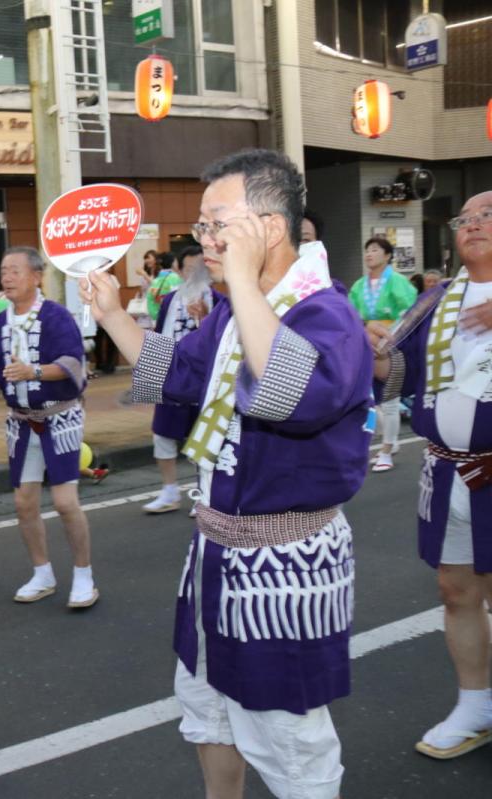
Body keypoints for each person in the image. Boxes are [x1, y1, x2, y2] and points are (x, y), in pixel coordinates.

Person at [81, 149, 371, 799]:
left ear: (270, 227)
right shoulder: (233, 310)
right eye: (203, 226)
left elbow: (287, 394)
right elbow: (178, 376)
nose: (203, 241)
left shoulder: (326, 313)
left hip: (285, 559)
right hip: (216, 546)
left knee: (288, 738)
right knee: (209, 709)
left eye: (218, 227)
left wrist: (241, 284)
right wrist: (111, 316)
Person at [373, 191, 492, 761]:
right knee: (455, 589)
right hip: (447, 468)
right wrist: (356, 345)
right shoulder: (436, 298)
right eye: (464, 219)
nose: (473, 226)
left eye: (487, 216)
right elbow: (396, 365)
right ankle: (476, 705)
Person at [0, 247, 97, 608]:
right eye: (4, 271)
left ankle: (84, 575)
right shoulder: (0, 322)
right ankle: (42, 573)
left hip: (60, 416)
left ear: (37, 276)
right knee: (24, 502)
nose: (6, 277)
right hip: (21, 421)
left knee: (65, 500)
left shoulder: (56, 316)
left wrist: (34, 371)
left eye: (15, 271)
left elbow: (73, 363)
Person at [144, 245, 216, 515]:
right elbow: (160, 335)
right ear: (179, 270)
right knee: (162, 433)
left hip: (202, 380)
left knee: (201, 438)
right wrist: (152, 376)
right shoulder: (171, 300)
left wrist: (205, 317)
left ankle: (205, 494)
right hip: (170, 375)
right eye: (189, 269)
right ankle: (169, 491)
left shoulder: (218, 300)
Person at [348, 237, 417, 473]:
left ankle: (386, 449)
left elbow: (409, 313)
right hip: (367, 343)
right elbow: (351, 314)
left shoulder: (398, 282)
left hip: (393, 344)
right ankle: (391, 440)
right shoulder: (359, 285)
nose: (369, 254)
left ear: (387, 256)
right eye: (367, 250)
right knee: (373, 398)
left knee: (390, 398)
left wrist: (388, 337)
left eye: (375, 250)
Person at [146, 251, 181, 320]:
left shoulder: (156, 281)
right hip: (173, 318)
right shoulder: (177, 278)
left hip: (158, 317)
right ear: (173, 263)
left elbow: (150, 300)